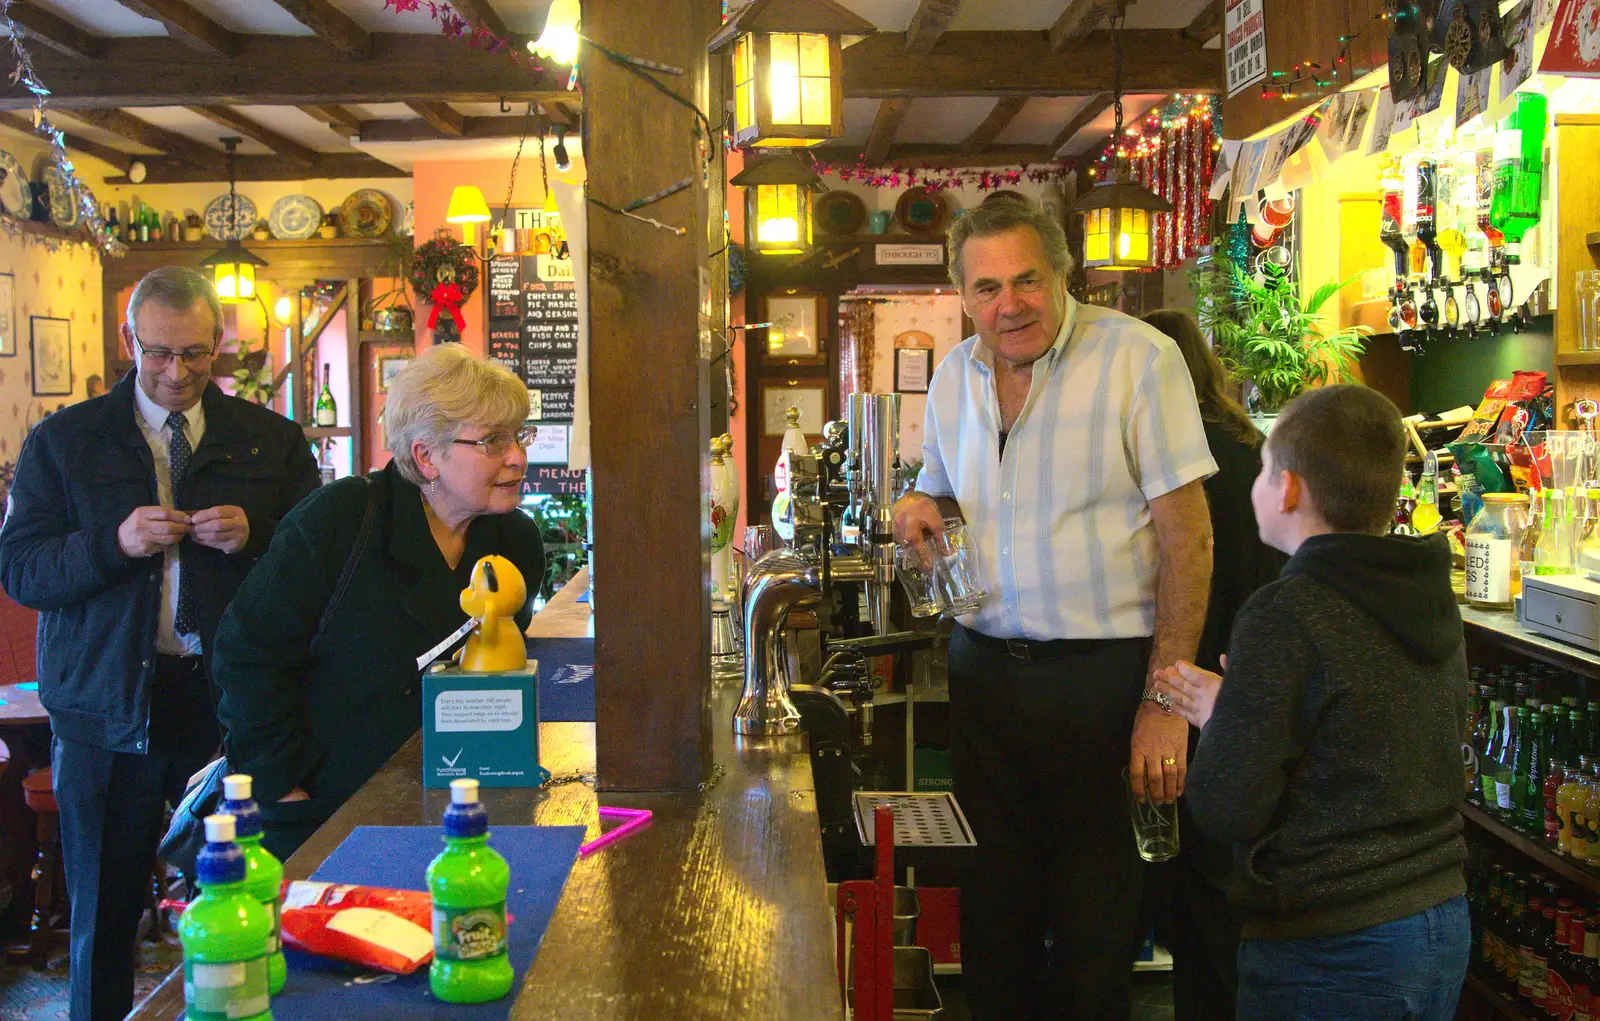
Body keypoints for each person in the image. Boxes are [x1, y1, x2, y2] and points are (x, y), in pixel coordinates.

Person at [891, 197, 1217, 1019]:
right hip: (985, 681)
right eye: (989, 287)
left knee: (1093, 938)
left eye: (1028, 279)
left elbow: (1192, 541)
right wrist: (919, 506)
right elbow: (947, 494)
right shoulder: (952, 378)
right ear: (964, 295)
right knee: (991, 924)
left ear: (1062, 274)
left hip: (1103, 684)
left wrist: (1165, 702)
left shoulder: (1137, 360)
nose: (1011, 305)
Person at [0, 266, 320, 1021]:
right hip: (106, 712)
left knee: (248, 908)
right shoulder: (64, 442)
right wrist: (111, 543)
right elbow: (20, 569)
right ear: (129, 342)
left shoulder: (270, 441)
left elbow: (320, 569)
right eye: (159, 354)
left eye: (197, 355)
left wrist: (258, 536)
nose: (178, 373)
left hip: (232, 708)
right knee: (103, 926)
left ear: (222, 347)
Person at [1156, 384, 1469, 1021]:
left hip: (1332, 939)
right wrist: (1242, 710)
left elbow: (1226, 805)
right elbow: (1365, 734)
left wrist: (1224, 722)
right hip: (1438, 918)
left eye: (1265, 468)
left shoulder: (1287, 610)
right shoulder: (1424, 590)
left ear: (1289, 489)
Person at [212, 343, 545, 859]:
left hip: (465, 809)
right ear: (425, 456)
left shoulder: (515, 542)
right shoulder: (341, 521)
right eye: (493, 441)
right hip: (333, 810)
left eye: (520, 435)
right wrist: (280, 782)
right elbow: (247, 654)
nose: (518, 456)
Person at [1140, 308, 1285, 1021]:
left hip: (1170, 686)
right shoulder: (1253, 449)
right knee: (1220, 892)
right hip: (1247, 684)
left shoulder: (1165, 457)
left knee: (1174, 879)